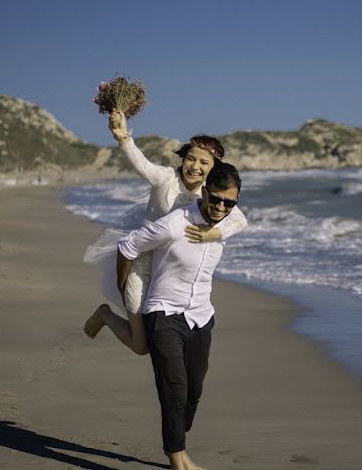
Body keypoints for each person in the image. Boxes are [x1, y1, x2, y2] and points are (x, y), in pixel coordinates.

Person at [117, 162, 242, 470]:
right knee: (173, 391)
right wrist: (123, 287)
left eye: (229, 203)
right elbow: (128, 246)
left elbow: (240, 221)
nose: (221, 208)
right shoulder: (175, 223)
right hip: (164, 314)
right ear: (205, 192)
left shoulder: (227, 221)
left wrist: (216, 230)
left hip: (201, 317)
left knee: (193, 393)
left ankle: (180, 447)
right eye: (216, 200)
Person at [83, 110, 247, 355]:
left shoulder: (210, 194)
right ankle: (106, 315)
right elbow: (142, 164)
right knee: (141, 346)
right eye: (191, 158)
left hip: (171, 271)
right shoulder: (166, 178)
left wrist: (215, 233)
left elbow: (239, 218)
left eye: (204, 162)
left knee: (160, 338)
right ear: (183, 158)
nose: (195, 166)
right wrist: (123, 137)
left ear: (213, 169)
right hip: (142, 263)